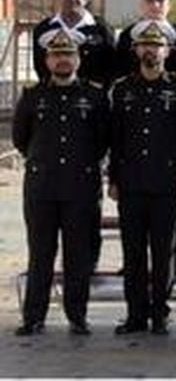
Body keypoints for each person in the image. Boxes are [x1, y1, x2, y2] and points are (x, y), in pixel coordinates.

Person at [13, 28, 110, 336]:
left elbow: (102, 141)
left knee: (78, 255)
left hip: (80, 188)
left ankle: (77, 316)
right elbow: (21, 139)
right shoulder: (33, 96)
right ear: (47, 60)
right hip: (42, 188)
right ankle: (33, 317)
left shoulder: (94, 96)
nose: (62, 60)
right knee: (40, 254)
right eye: (56, 55)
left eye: (68, 54)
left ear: (78, 59)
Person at [108, 20, 176, 336]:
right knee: (132, 253)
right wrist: (113, 178)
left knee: (163, 253)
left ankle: (160, 313)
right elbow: (115, 138)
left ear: (167, 51)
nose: (151, 51)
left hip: (166, 183)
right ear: (136, 50)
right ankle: (135, 315)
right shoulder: (123, 90)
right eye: (145, 45)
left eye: (157, 46)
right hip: (131, 182)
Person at [115, 0, 176, 276]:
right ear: (141, 3)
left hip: (170, 130)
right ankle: (135, 268)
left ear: (169, 3)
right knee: (134, 225)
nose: (155, 5)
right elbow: (120, 77)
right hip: (136, 131)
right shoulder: (128, 37)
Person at [32, 0, 115, 85]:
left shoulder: (102, 29)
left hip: (93, 94)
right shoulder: (44, 29)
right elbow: (40, 67)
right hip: (55, 91)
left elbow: (111, 67)